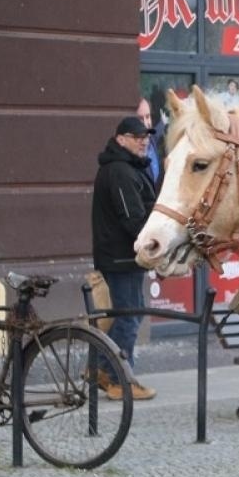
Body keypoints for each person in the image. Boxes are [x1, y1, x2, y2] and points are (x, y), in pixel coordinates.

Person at [90, 116, 158, 400]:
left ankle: (100, 369)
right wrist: (155, 246)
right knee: (128, 317)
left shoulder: (129, 167)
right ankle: (118, 380)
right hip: (121, 257)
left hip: (124, 256)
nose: (143, 141)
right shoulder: (119, 170)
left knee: (127, 315)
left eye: (146, 137)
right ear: (121, 139)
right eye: (136, 137)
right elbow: (132, 219)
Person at [135, 97, 161, 187]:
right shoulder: (131, 154)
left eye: (147, 116)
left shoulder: (152, 139)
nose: (146, 123)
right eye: (140, 119)